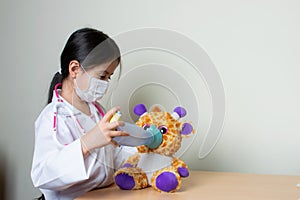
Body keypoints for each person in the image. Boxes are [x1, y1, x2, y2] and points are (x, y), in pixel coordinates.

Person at [31, 28, 135, 200]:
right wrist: (86, 144)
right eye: (102, 76)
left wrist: (142, 148)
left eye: (109, 77)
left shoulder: (97, 111)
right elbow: (42, 175)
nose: (105, 83)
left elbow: (111, 158)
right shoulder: (53, 118)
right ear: (74, 69)